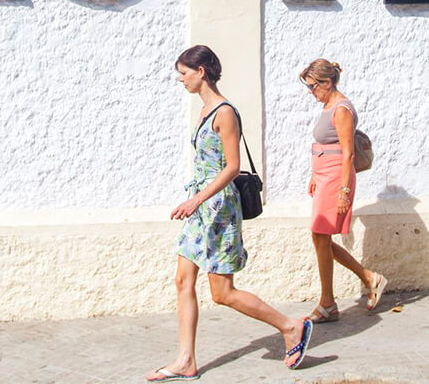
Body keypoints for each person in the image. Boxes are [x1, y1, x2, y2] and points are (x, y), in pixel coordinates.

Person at [147, 45, 312, 382]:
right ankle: (186, 360)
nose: (180, 79)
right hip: (200, 208)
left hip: (219, 209)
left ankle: (290, 326)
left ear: (201, 72)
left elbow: (233, 167)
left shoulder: (224, 113)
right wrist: (195, 201)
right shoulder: (204, 110)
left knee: (222, 293)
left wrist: (196, 200)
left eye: (184, 73)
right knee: (182, 280)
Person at [299, 59, 387, 324]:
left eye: (313, 86)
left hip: (336, 179)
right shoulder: (328, 106)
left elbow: (347, 154)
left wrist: (344, 192)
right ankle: (367, 279)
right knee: (320, 237)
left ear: (327, 82)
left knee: (320, 235)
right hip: (324, 176)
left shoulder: (342, 109)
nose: (311, 92)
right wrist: (314, 174)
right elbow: (328, 145)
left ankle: (329, 302)